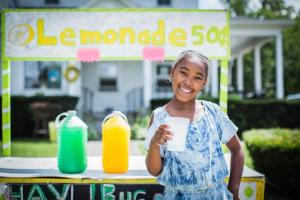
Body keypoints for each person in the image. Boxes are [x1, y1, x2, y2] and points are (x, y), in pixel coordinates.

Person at [144, 50, 244, 200]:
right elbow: (154, 171)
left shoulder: (213, 113)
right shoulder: (160, 117)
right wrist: (155, 143)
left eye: (197, 78)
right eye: (183, 73)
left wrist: (234, 190)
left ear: (204, 83)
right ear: (172, 73)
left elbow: (237, 150)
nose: (188, 82)